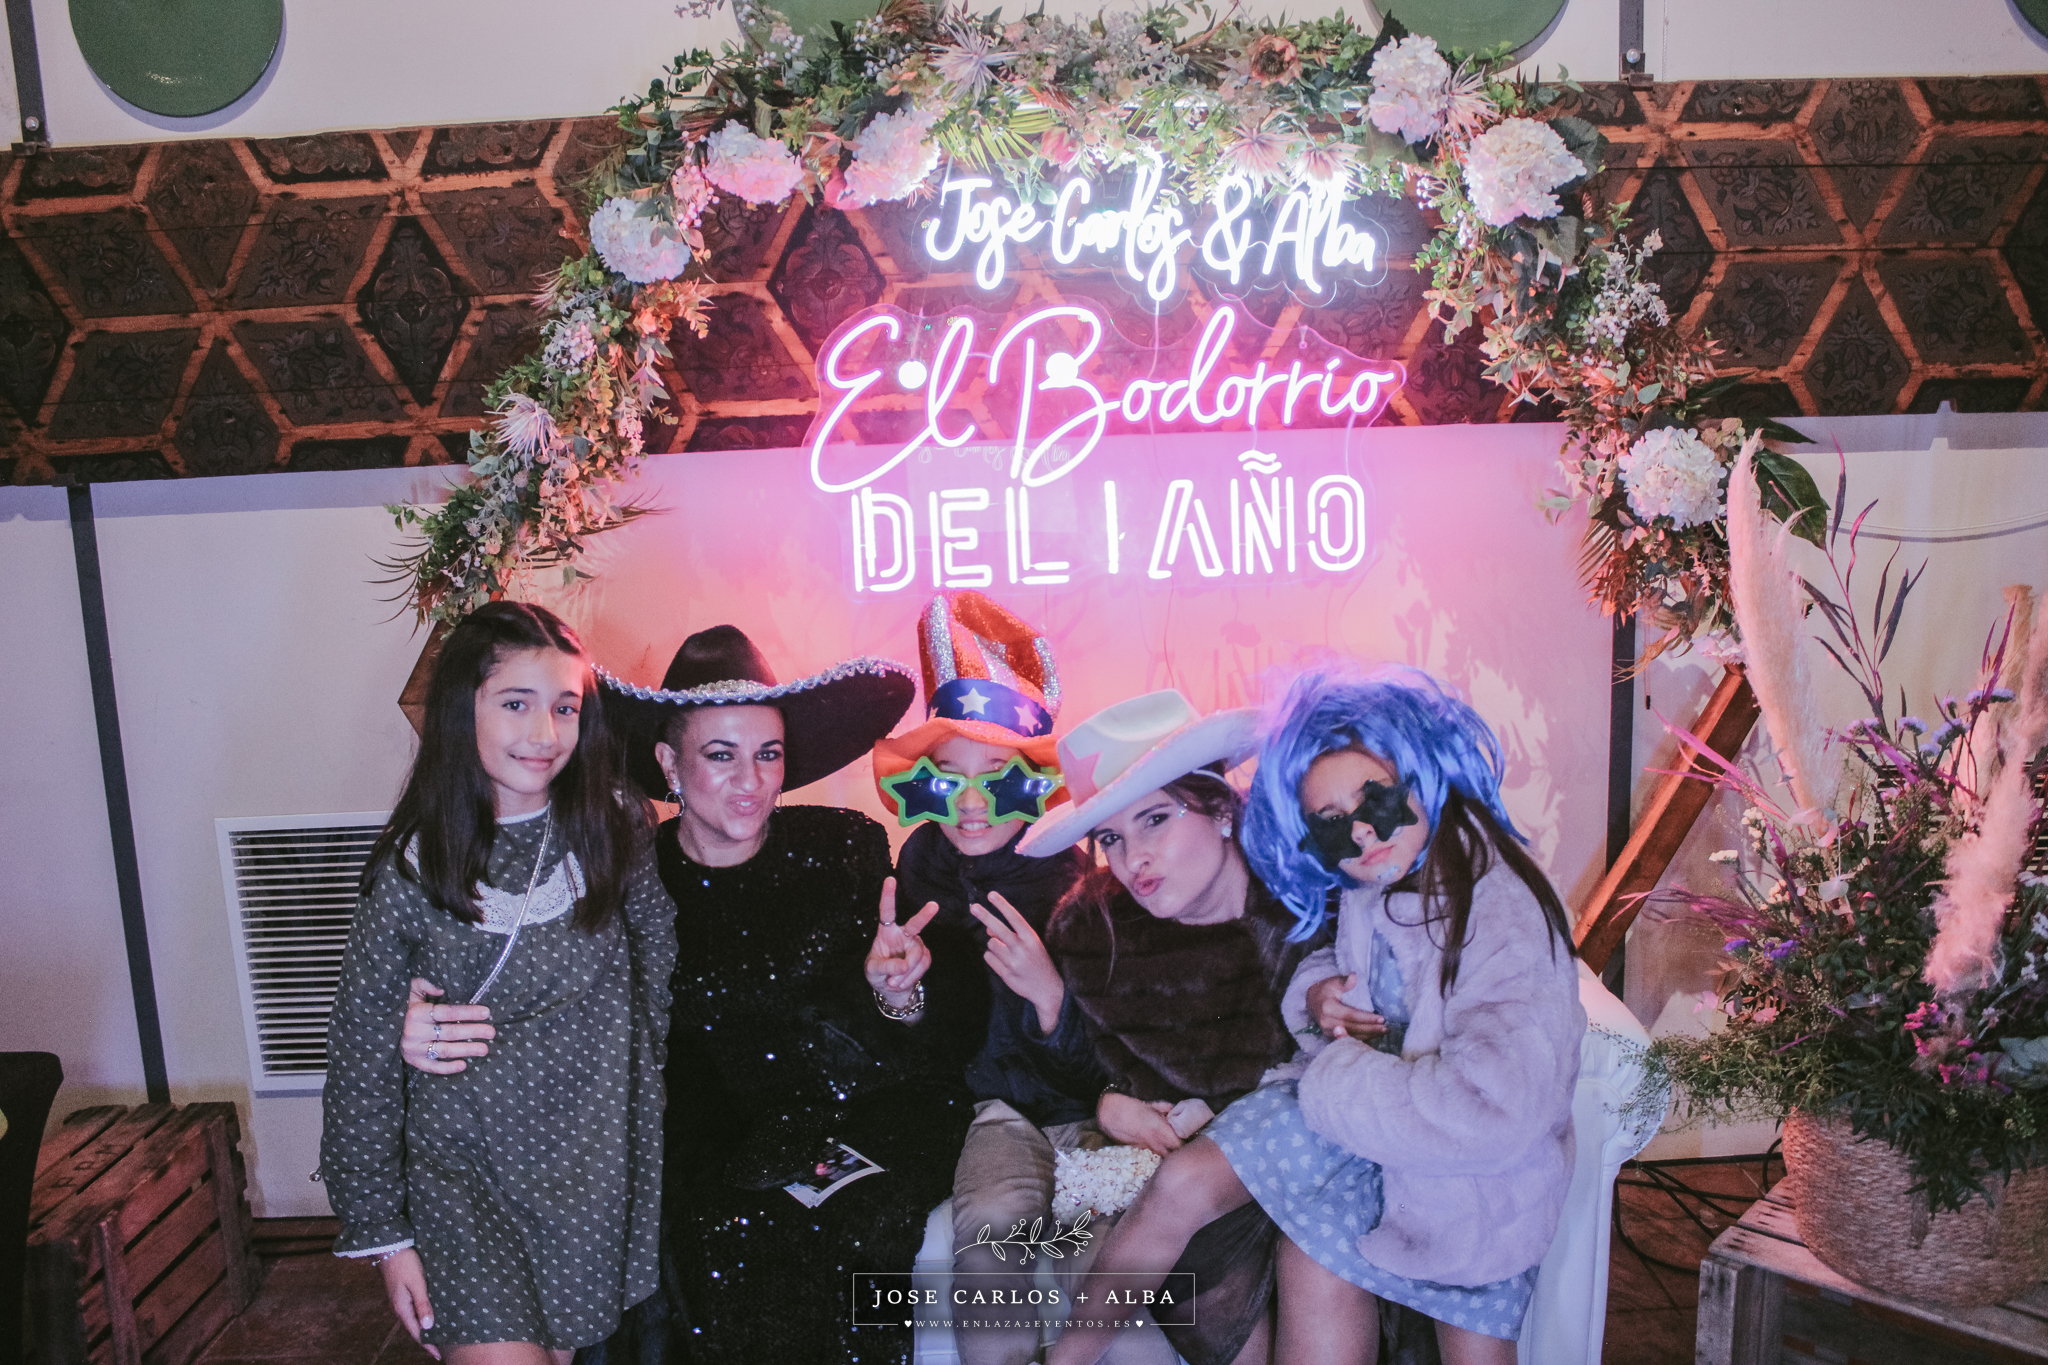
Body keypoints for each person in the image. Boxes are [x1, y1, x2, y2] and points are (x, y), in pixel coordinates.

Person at [399, 624, 961, 1365]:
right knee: (690, 1240)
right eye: (721, 755)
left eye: (768, 754)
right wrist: (419, 1025)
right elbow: (543, 999)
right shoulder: (625, 876)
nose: (751, 781)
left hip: (859, 1112)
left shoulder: (843, 847)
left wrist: (899, 993)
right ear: (668, 763)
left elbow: (924, 1030)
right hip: (703, 1132)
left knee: (850, 1223)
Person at [1044, 666, 1585, 1365]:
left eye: (1377, 798)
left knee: (1472, 1337)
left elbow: (1497, 1104)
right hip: (1348, 1110)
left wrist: (1337, 1081)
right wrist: (1317, 995)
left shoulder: (1497, 905)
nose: (1360, 830)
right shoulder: (1360, 876)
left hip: (1462, 1172)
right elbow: (1337, 962)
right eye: (1330, 821)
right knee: (1228, 1210)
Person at [321, 601, 677, 1365]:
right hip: (463, 1177)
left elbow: (656, 958)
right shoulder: (412, 867)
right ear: (463, 709)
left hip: (589, 1175)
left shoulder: (616, 826)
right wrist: (387, 1236)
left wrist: (634, 1088)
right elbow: (359, 1062)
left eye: (565, 706)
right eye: (516, 703)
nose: (544, 732)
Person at [1005, 689, 1333, 1365]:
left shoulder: (1311, 901)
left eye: (1154, 819)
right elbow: (1075, 1069)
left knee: (1298, 1249)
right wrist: (1108, 1100)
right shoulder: (1095, 929)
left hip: (1319, 1154)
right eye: (1111, 838)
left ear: (1220, 809)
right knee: (1190, 1251)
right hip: (1194, 1197)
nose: (1134, 860)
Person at [862, 592, 1093, 1365]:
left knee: (1105, 1266)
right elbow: (936, 1038)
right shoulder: (922, 862)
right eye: (948, 775)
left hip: (1095, 1110)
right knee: (988, 1248)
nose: (968, 803)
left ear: (1033, 778)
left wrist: (1049, 995)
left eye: (994, 775)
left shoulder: (1079, 875)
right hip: (991, 1109)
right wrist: (901, 996)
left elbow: (1121, 1048)